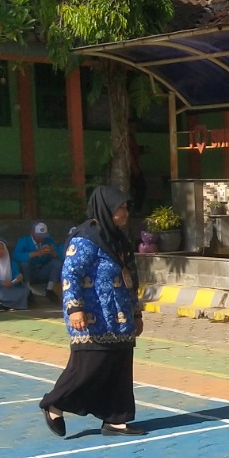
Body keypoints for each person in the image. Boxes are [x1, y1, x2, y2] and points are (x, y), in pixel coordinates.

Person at [40, 186, 146, 439]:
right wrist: (74, 308)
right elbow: (70, 274)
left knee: (119, 367)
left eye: (126, 207)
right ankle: (53, 404)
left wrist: (136, 313)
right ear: (106, 209)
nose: (125, 212)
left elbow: (130, 277)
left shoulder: (119, 239)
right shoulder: (85, 239)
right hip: (92, 318)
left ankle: (116, 419)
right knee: (87, 367)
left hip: (119, 316)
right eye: (120, 207)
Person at [15, 221, 62, 300]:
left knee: (56, 263)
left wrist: (52, 251)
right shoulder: (23, 241)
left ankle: (50, 289)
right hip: (29, 272)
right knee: (24, 263)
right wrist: (36, 253)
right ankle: (27, 289)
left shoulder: (48, 241)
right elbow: (16, 255)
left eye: (43, 236)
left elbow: (59, 256)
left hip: (42, 272)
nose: (41, 238)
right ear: (32, 233)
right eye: (39, 236)